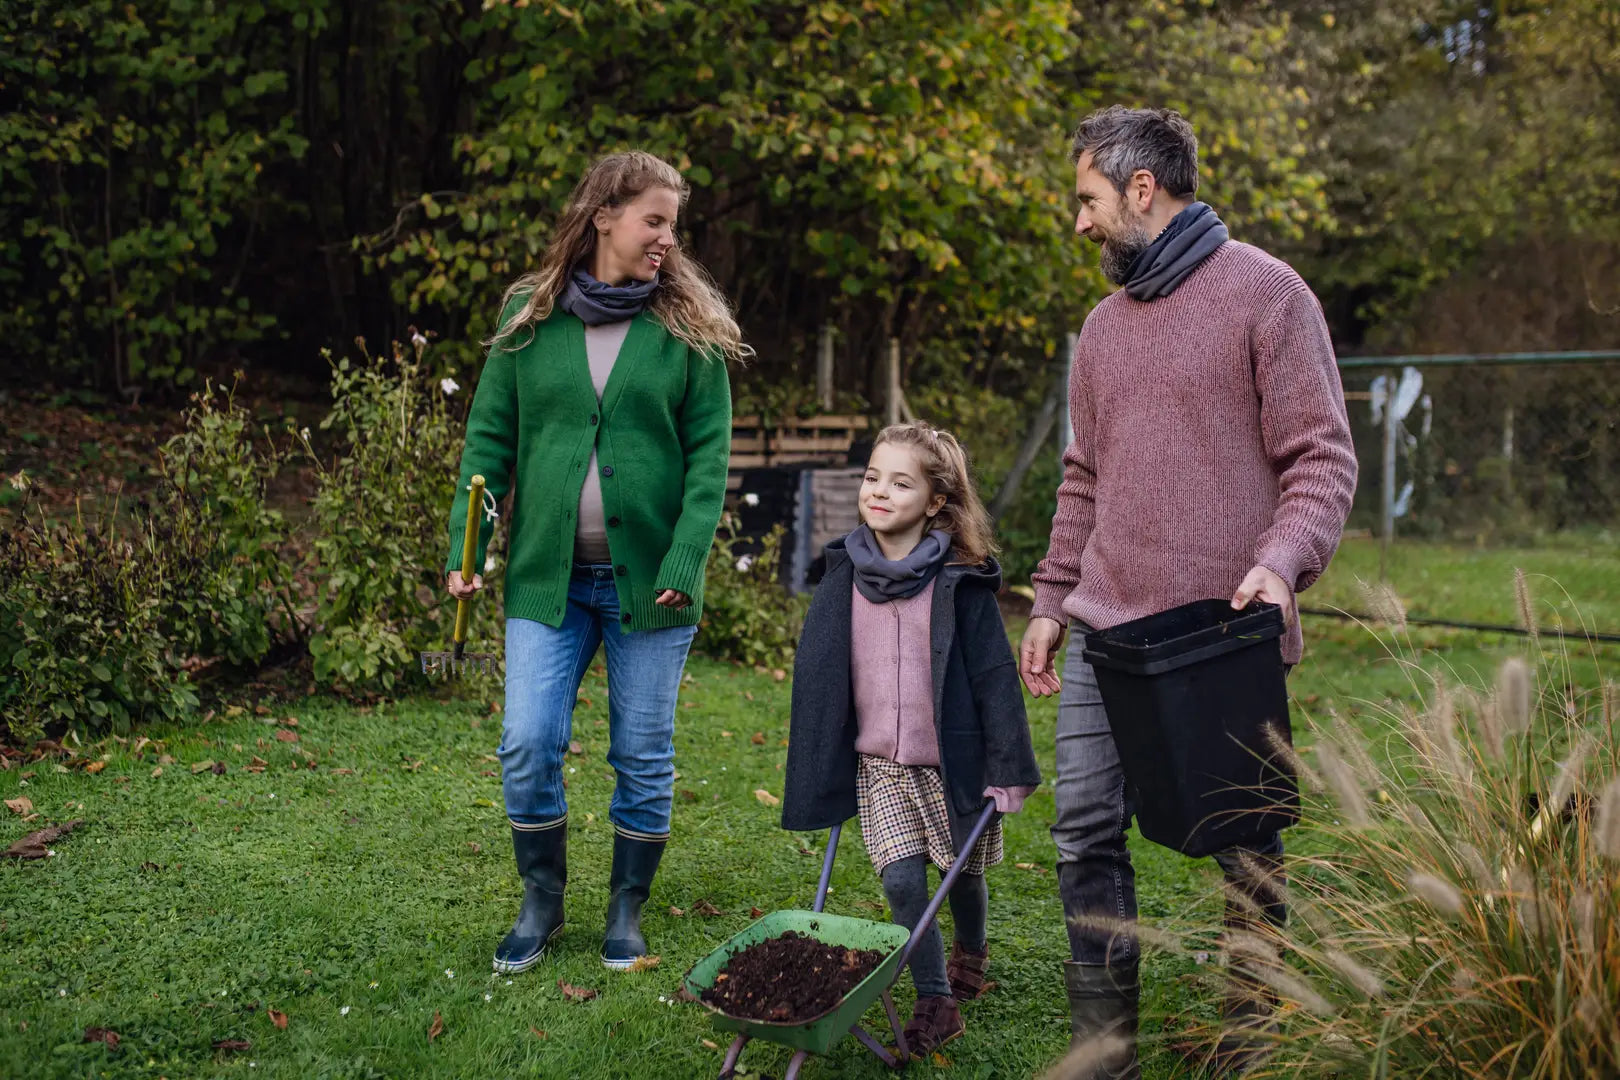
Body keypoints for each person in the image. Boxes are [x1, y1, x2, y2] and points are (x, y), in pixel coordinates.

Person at [1020, 107, 1357, 1077]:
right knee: (1084, 830)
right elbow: (1083, 478)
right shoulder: (1101, 330)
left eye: (1086, 200)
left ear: (1140, 189)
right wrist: (1049, 601)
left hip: (1223, 630)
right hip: (1104, 627)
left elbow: (1321, 459)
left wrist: (1284, 559)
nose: (1078, 222)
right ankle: (1105, 1051)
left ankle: (1250, 1042)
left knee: (1245, 846)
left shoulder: (1267, 296)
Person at [445, 150, 747, 975]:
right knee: (527, 740)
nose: (667, 241)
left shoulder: (688, 330)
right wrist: (466, 548)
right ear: (604, 214)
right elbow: (489, 442)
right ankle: (541, 898)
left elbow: (709, 460)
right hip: (548, 580)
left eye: (673, 227)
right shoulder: (529, 314)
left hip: (652, 584)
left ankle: (626, 908)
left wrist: (686, 557)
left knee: (642, 753)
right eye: (655, 221)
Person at [781, 421, 1042, 1058]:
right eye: (873, 477)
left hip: (951, 763)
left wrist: (1007, 763)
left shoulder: (961, 583)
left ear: (935, 503)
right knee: (901, 882)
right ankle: (935, 998)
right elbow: (820, 672)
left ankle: (971, 949)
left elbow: (991, 675)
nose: (880, 491)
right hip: (880, 764)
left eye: (901, 483)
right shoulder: (842, 575)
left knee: (964, 875)